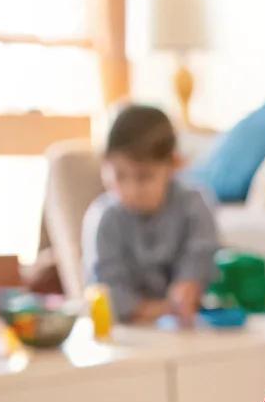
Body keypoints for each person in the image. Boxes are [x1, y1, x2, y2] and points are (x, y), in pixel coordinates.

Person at [83, 104, 219, 324]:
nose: (130, 190)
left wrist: (190, 284)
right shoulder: (104, 217)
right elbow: (106, 289)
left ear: (174, 164)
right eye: (119, 176)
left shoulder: (194, 204)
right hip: (128, 330)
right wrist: (159, 309)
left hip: (185, 326)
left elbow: (201, 255)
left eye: (144, 177)